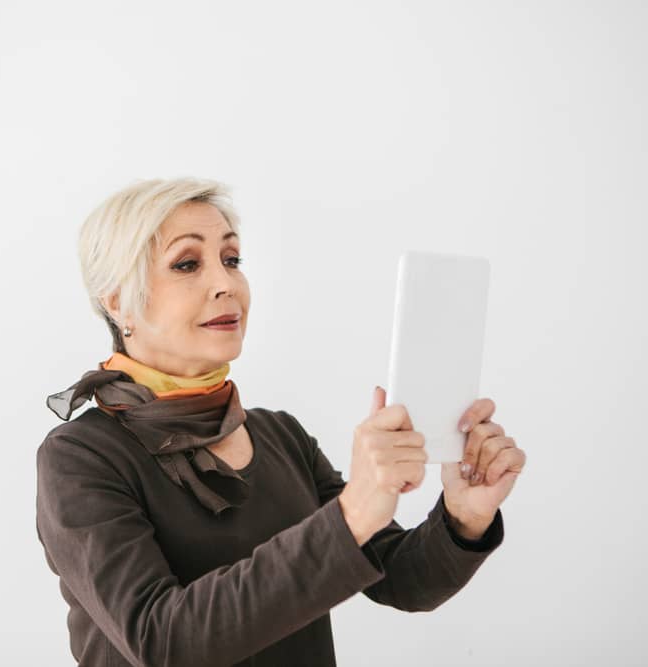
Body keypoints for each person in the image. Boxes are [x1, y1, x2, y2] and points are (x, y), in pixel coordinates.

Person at [35, 177, 526, 667]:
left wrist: (464, 516)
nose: (225, 284)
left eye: (232, 260)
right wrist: (352, 515)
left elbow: (401, 579)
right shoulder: (80, 458)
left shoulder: (279, 435)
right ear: (117, 300)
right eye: (187, 264)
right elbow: (164, 642)